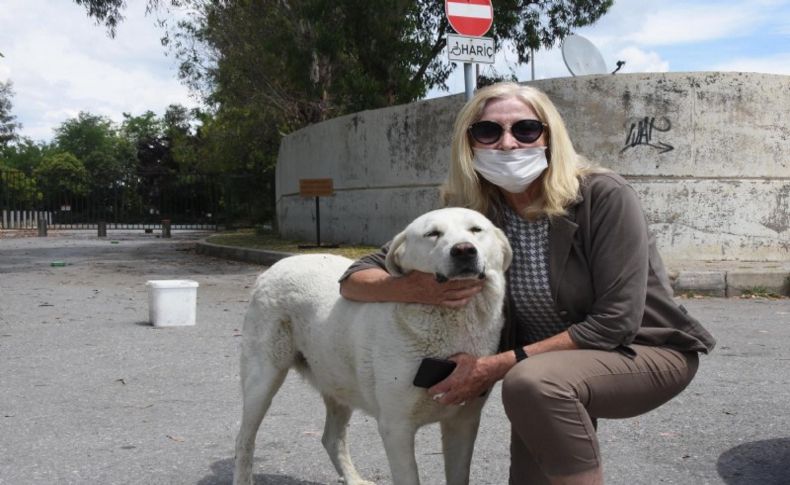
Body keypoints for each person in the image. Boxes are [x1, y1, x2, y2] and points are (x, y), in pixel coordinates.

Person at [339, 82, 716, 484]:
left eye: (525, 130)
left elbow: (616, 322)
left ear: (549, 137)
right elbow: (355, 277)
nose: (506, 143)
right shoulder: (475, 213)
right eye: (488, 132)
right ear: (470, 145)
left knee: (530, 383)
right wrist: (414, 288)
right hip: (547, 364)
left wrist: (494, 365)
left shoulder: (604, 196)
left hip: (639, 351)